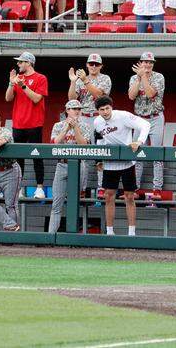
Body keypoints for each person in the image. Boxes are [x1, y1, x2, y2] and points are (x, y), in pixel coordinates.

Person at [92, 96, 149, 236]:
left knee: (129, 196)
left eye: (107, 108)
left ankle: (131, 233)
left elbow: (145, 124)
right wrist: (98, 160)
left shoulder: (123, 116)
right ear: (97, 111)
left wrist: (139, 141)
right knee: (108, 196)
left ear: (112, 107)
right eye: (101, 109)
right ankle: (110, 232)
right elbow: (100, 140)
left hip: (127, 161)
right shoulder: (97, 122)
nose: (105, 112)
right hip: (110, 163)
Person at [5, 52, 48, 197]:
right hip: (18, 123)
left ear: (28, 63)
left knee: (37, 156)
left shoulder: (40, 78)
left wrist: (23, 86)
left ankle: (39, 188)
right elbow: (8, 98)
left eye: (20, 62)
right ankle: (20, 189)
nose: (18, 64)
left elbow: (36, 99)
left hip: (34, 123)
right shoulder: (18, 78)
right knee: (18, 158)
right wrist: (12, 83)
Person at [47, 100, 93, 234]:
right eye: (73, 109)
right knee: (57, 204)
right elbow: (54, 144)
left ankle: (73, 237)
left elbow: (84, 145)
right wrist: (66, 128)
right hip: (62, 164)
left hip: (79, 165)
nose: (77, 111)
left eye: (79, 109)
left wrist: (76, 128)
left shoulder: (84, 126)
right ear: (67, 110)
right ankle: (51, 236)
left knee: (75, 203)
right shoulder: (58, 125)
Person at [128, 52, 166, 196]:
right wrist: (138, 78)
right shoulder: (134, 77)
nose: (148, 64)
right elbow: (131, 96)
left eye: (151, 62)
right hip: (139, 118)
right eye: (145, 62)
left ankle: (157, 189)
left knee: (157, 153)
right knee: (137, 153)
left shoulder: (158, 77)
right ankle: (135, 188)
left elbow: (150, 94)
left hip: (155, 117)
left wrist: (143, 76)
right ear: (140, 63)